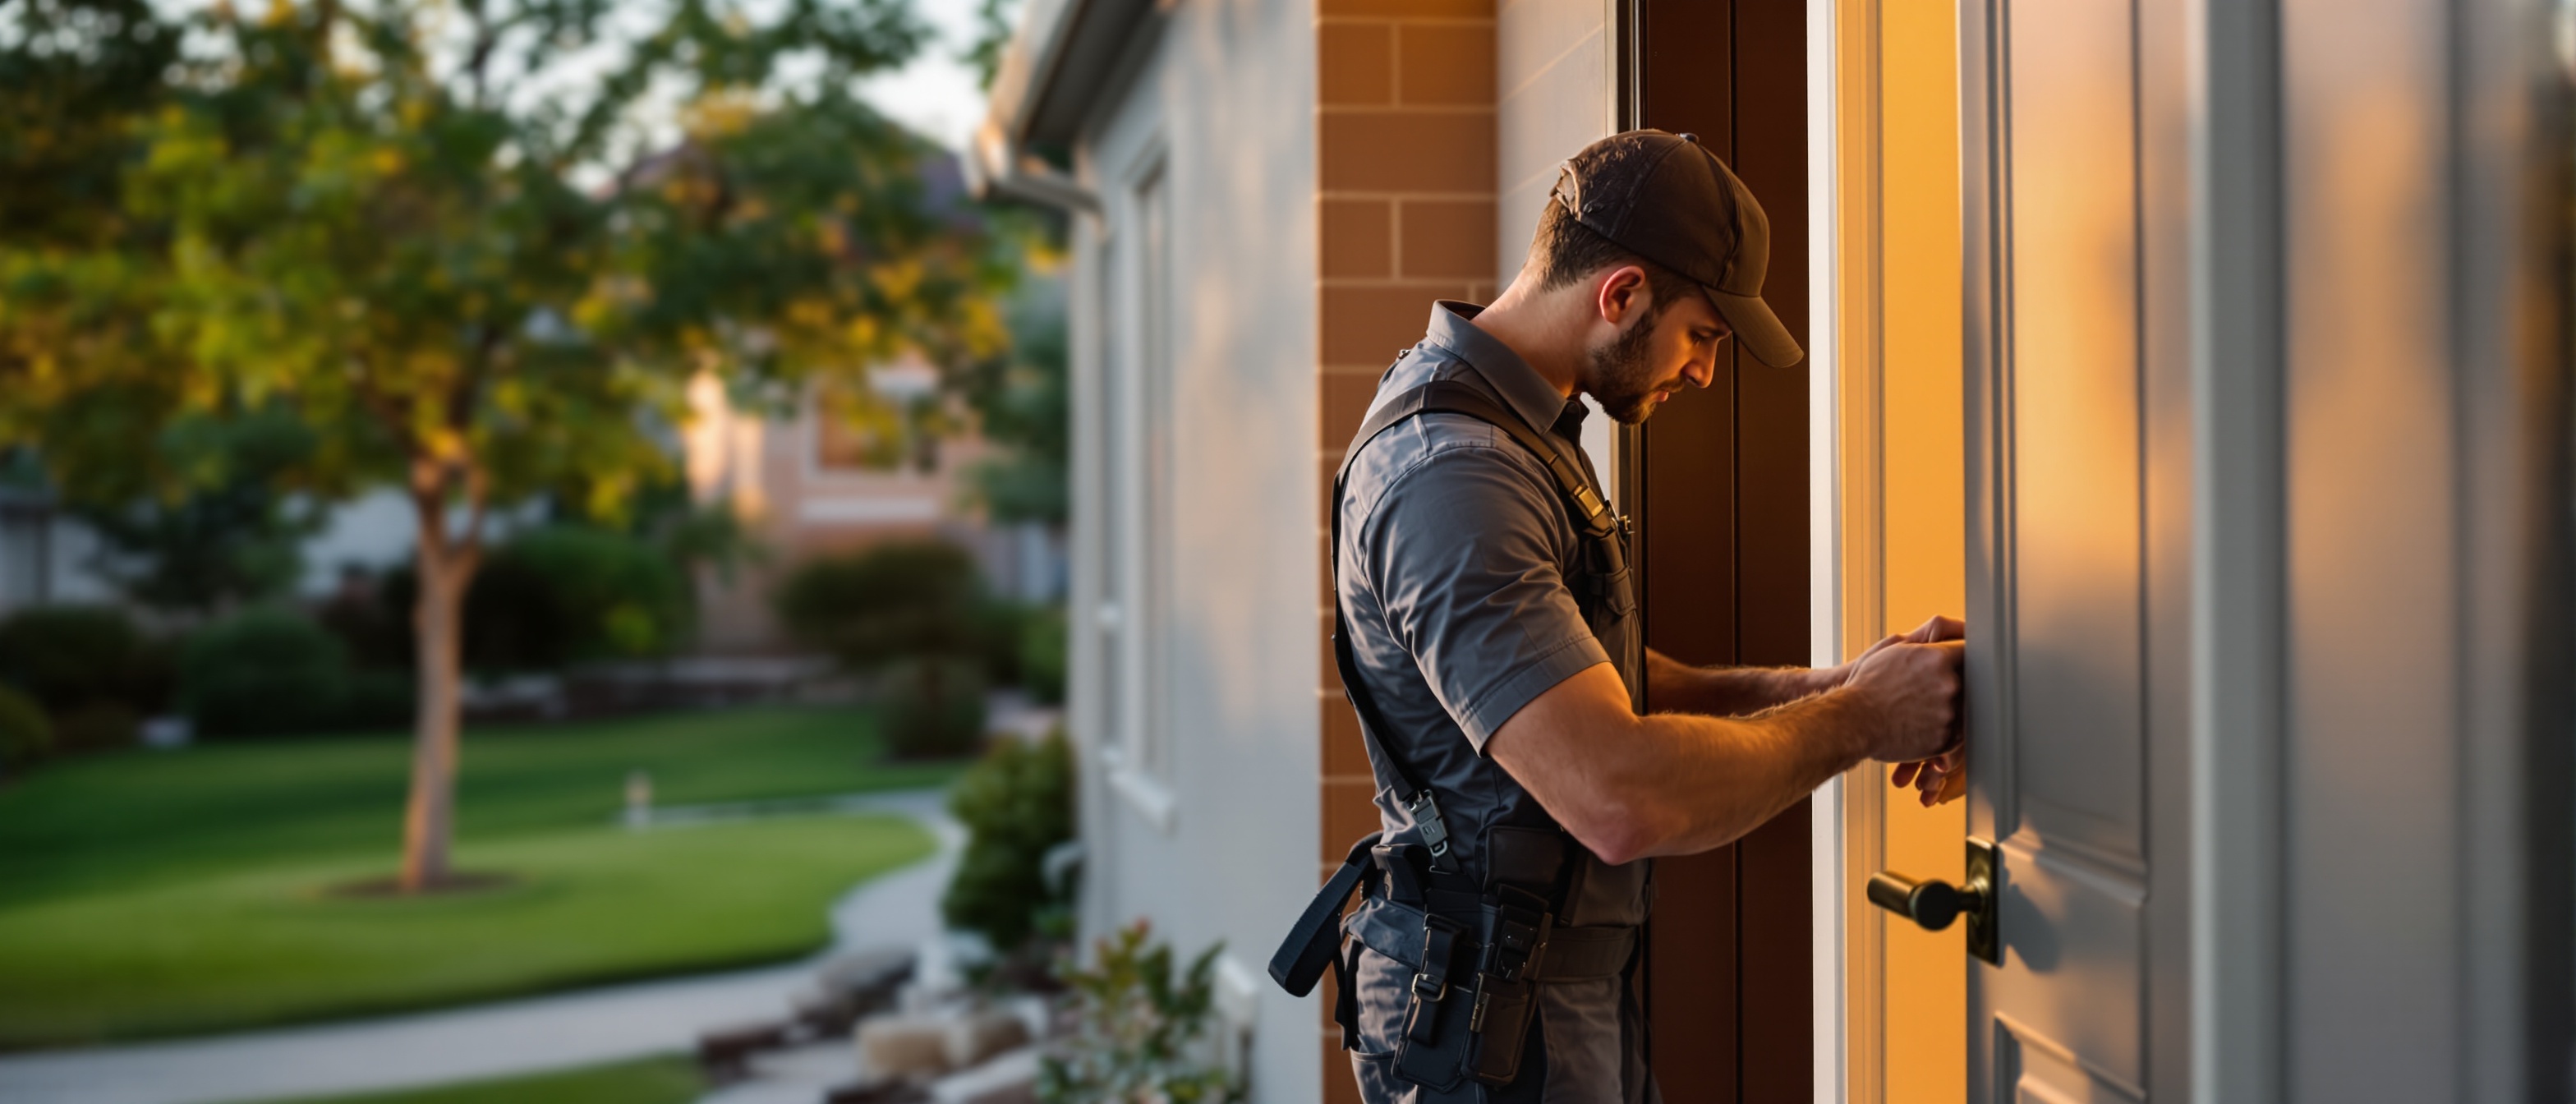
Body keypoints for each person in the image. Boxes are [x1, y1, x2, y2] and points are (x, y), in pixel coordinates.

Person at [1278, 130, 1966, 1104]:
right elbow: (1615, 795)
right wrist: (1861, 719)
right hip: (1486, 1033)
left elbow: (1596, 679)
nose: (1705, 373)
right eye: (1705, 336)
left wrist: (1838, 687)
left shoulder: (1518, 430)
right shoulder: (1455, 476)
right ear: (1622, 294)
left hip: (1540, 997)